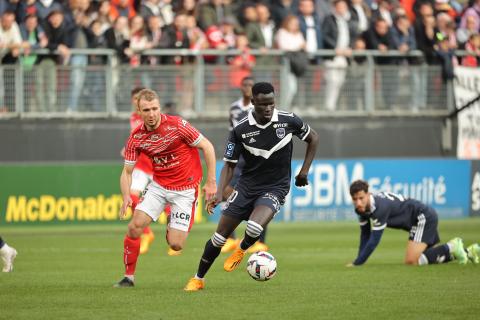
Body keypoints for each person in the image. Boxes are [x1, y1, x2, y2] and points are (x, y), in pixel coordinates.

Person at [184, 82, 319, 291]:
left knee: (255, 227)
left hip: (276, 186)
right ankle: (197, 278)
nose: (268, 109)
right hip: (247, 186)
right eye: (263, 104)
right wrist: (219, 193)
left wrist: (304, 171)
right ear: (253, 102)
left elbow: (313, 138)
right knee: (219, 238)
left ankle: (242, 248)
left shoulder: (288, 120)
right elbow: (229, 165)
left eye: (271, 104)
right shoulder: (241, 129)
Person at [114, 89, 217, 287]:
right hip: (159, 186)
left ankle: (171, 221)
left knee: (176, 245)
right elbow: (127, 172)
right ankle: (129, 277)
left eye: (154, 109)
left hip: (185, 189)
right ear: (139, 111)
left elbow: (208, 147)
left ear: (159, 108)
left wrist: (211, 181)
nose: (151, 114)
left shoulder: (177, 125)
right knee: (134, 227)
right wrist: (126, 195)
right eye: (146, 110)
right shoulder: (136, 137)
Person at [347, 179, 480, 267]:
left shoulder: (380, 207)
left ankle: (453, 245)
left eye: (361, 198)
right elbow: (365, 234)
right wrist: (358, 260)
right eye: (355, 199)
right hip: (420, 219)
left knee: (411, 261)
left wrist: (357, 263)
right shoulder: (361, 209)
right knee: (431, 257)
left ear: (368, 194)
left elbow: (373, 240)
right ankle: (468, 252)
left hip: (422, 217)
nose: (358, 202)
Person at [221, 77, 269, 254]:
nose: (248, 88)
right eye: (245, 85)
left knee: (259, 196)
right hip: (237, 157)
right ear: (240, 87)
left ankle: (259, 241)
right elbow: (231, 133)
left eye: (251, 85)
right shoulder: (234, 108)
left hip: (254, 157)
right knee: (226, 191)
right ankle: (231, 238)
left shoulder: (260, 107)